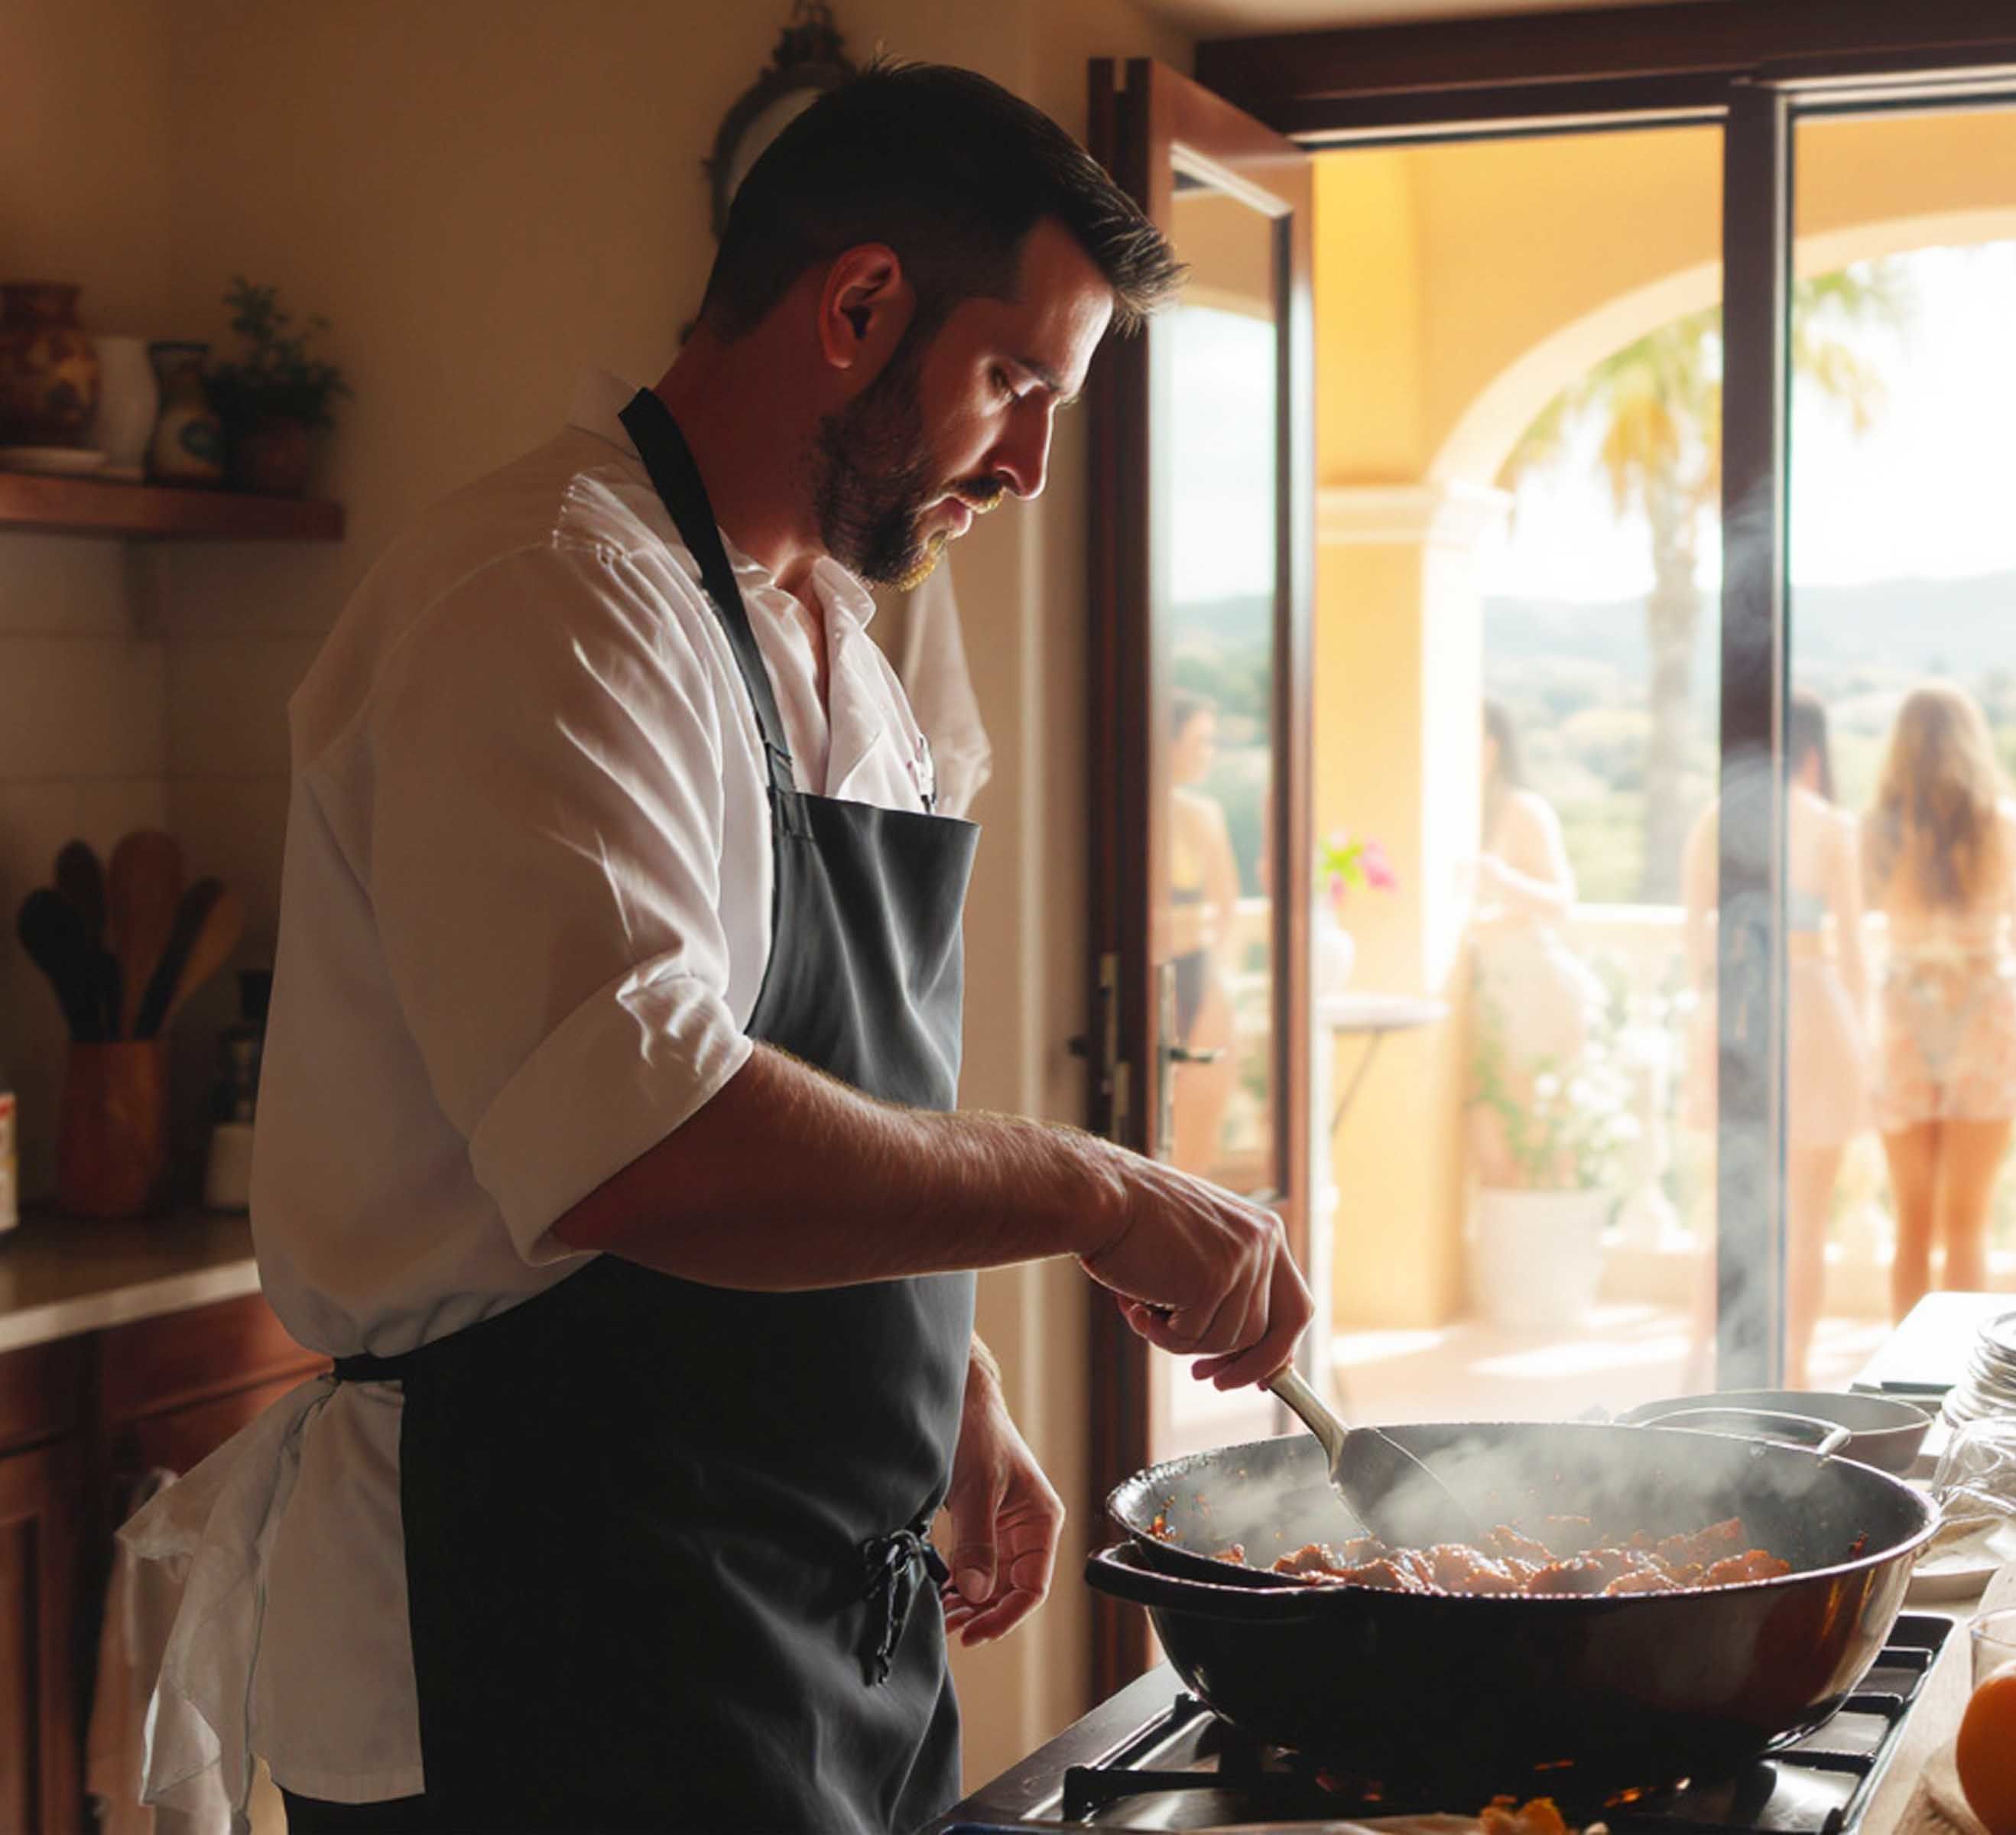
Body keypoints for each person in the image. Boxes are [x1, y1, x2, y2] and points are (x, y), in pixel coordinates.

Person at [120, 63, 1310, 1835]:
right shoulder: (547, 600)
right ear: (857, 306)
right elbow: (646, 1140)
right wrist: (1095, 1191)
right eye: (1013, 384)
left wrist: (943, 1371)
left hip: (812, 1611)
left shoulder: (840, 650)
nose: (1030, 465)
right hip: (542, 1625)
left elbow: (814, 1087)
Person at [1681, 693, 1871, 1379]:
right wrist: (1866, 1042)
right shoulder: (1828, 824)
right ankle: (1794, 1371)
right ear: (1811, 753)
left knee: (1731, 1205)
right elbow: (1853, 953)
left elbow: (1695, 945)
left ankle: (1699, 1363)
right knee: (1808, 1218)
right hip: (1815, 1009)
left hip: (1738, 1010)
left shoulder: (1715, 820)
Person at [1863, 684, 2016, 1315]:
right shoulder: (2005, 824)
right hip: (1984, 1009)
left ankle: (1904, 1366)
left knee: (1910, 1224)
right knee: (1968, 1222)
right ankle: (1958, 1367)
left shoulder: (1878, 828)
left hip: (1905, 1010)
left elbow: (1860, 920)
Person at [1470, 700, 1603, 1189]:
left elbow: (1561, 900)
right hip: (1487, 996)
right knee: (1492, 1129)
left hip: (1531, 988)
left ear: (1491, 748)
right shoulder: (1456, 811)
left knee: (1539, 1134)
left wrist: (1500, 879)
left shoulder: (1523, 810)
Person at [1167, 692, 1240, 1177]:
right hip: (1157, 977)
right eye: (1201, 741)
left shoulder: (1205, 813)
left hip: (1198, 972)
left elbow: (1226, 906)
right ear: (1168, 742)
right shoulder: (1135, 811)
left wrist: (1216, 979)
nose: (1208, 753)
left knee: (1200, 1122)